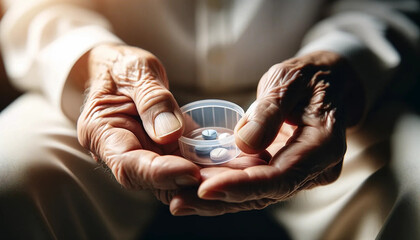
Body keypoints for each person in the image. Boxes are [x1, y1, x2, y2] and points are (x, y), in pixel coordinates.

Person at [0, 0, 419, 239]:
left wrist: (341, 61)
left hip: (309, 99)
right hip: (115, 92)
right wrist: (92, 58)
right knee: (11, 176)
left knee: (414, 183)